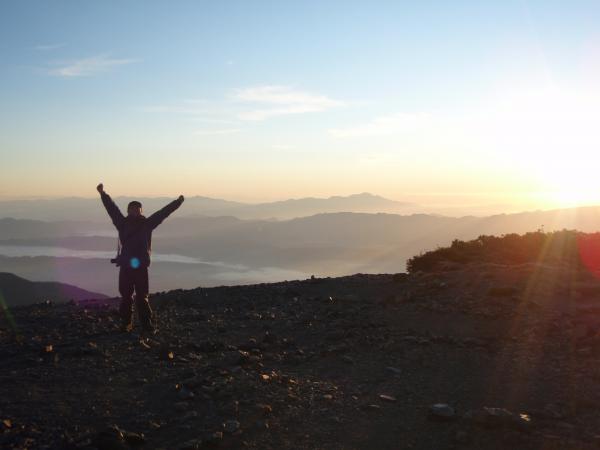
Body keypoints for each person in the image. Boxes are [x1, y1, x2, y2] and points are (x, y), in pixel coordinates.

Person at [97, 183, 184, 334]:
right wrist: (103, 194)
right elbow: (112, 208)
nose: (135, 211)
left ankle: (145, 325)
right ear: (128, 211)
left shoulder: (146, 224)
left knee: (141, 297)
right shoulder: (123, 223)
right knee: (126, 297)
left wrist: (178, 202)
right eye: (132, 209)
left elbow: (163, 212)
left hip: (139, 266)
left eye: (137, 209)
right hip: (128, 266)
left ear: (141, 211)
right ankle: (127, 324)